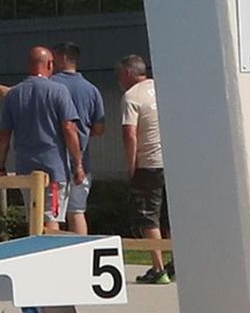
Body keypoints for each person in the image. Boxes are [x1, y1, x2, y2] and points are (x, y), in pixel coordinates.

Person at [0, 46, 79, 232]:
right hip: (55, 169)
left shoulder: (15, 94)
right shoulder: (59, 91)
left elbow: (4, 135)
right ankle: (51, 256)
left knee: (34, 217)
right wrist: (78, 162)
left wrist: (0, 166)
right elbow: (69, 128)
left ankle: (35, 253)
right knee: (52, 217)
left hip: (25, 168)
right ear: (50, 64)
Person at [50, 41, 110, 229]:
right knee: (77, 211)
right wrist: (82, 132)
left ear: (63, 58)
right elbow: (99, 129)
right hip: (83, 163)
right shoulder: (91, 90)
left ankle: (53, 257)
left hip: (55, 165)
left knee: (53, 214)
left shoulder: (49, 85)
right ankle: (82, 256)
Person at [117, 54, 166, 250]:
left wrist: (131, 166)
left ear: (128, 73)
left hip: (148, 162)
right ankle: (176, 262)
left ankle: (158, 267)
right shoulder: (162, 87)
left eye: (120, 75)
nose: (119, 80)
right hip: (170, 161)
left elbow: (130, 134)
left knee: (148, 216)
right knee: (170, 215)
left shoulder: (131, 97)